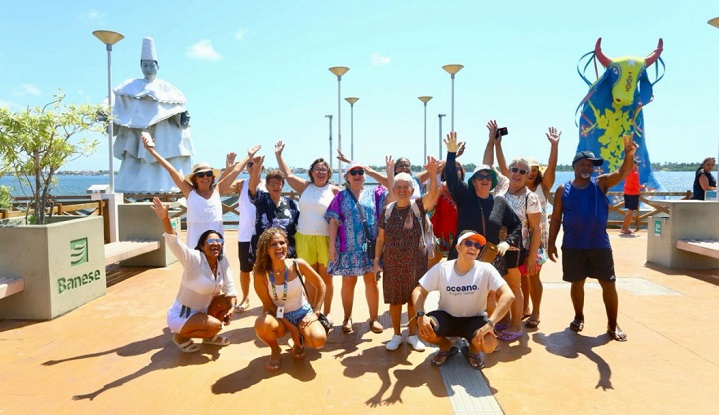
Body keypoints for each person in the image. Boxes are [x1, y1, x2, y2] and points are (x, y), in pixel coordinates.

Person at [548, 134, 638, 342]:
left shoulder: (601, 183)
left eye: (590, 164)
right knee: (576, 283)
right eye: (583, 164)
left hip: (599, 245)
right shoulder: (563, 190)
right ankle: (579, 316)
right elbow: (555, 218)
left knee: (609, 284)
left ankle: (612, 323)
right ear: (574, 166)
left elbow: (623, 172)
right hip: (573, 246)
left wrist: (628, 155)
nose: (587, 167)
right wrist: (551, 243)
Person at [411, 231, 515, 369]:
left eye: (477, 245)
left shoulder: (486, 269)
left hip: (474, 319)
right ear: (458, 247)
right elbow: (418, 290)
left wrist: (491, 323)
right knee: (424, 329)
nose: (473, 247)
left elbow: (509, 295)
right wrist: (420, 315)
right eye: (468, 243)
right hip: (447, 317)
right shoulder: (442, 268)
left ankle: (473, 350)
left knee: (490, 345)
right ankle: (446, 346)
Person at [149, 197, 236, 353]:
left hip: (203, 311)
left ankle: (209, 337)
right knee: (216, 326)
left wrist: (231, 308)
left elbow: (230, 288)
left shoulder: (222, 261)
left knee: (226, 301)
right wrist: (165, 219)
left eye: (218, 240)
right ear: (202, 246)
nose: (215, 244)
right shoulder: (193, 259)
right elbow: (174, 242)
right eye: (210, 241)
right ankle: (180, 336)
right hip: (183, 314)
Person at [112, 37, 194, 193]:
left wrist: (182, 118)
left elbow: (178, 109)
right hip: (137, 134)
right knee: (137, 159)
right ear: (141, 66)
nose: (148, 69)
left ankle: (166, 188)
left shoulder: (167, 88)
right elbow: (117, 105)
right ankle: (136, 190)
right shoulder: (130, 86)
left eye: (151, 65)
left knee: (164, 158)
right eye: (145, 65)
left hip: (163, 134)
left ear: (158, 66)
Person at [375, 157, 439, 352]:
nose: (402, 190)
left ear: (412, 190)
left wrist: (434, 175)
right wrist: (377, 260)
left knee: (413, 300)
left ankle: (412, 334)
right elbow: (380, 239)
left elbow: (433, 193)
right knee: (395, 301)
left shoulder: (417, 207)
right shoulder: (387, 211)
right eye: (398, 187)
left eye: (406, 187)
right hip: (393, 263)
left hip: (415, 263)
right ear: (393, 190)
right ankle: (396, 334)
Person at [274, 141, 341, 323]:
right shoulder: (305, 187)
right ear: (311, 172)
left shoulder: (334, 190)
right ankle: (311, 311)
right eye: (317, 169)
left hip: (326, 239)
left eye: (324, 169)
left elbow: (352, 199)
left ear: (329, 173)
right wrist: (279, 156)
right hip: (304, 237)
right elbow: (287, 175)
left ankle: (326, 313)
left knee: (326, 278)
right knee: (309, 277)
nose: (320, 172)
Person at [142, 133, 242, 248]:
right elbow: (171, 170)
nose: (205, 177)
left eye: (208, 173)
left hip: (216, 245)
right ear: (195, 178)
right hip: (196, 244)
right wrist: (152, 151)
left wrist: (234, 165)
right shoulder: (190, 192)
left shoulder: (216, 191)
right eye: (201, 175)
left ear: (212, 176)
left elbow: (232, 175)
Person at [325, 161, 388, 334]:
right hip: (348, 248)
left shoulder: (375, 193)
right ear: (347, 177)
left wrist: (375, 168)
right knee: (349, 281)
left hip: (371, 248)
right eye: (353, 172)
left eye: (360, 171)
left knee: (371, 281)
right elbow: (333, 221)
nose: (358, 175)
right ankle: (347, 318)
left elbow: (392, 188)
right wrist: (332, 246)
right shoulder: (341, 197)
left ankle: (374, 318)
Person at [253, 228, 327, 372]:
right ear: (265, 249)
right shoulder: (261, 274)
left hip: (302, 312)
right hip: (278, 316)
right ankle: (275, 350)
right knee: (261, 324)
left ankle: (299, 339)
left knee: (319, 340)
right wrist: (291, 328)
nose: (279, 247)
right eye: (273, 244)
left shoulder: (298, 264)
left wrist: (316, 312)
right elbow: (269, 306)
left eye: (282, 243)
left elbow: (321, 285)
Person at [519, 127, 560, 328]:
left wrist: (554, 145)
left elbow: (552, 168)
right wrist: (497, 144)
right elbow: (500, 167)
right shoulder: (516, 188)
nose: (532, 172)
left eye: (535, 169)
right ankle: (524, 307)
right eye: (529, 169)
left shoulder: (543, 188)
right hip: (519, 238)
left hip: (538, 239)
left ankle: (535, 311)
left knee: (534, 275)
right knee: (521, 277)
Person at [219, 146, 263, 313]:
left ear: (262, 167)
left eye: (257, 164)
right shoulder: (241, 185)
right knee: (245, 269)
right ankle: (245, 298)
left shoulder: (267, 185)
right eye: (250, 164)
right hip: (245, 236)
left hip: (263, 236)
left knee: (264, 270)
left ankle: (266, 300)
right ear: (246, 167)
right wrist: (229, 169)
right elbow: (222, 189)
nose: (253, 166)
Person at [247, 155, 301, 260]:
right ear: (266, 186)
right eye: (272, 183)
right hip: (263, 250)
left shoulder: (291, 204)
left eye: (279, 183)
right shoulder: (261, 198)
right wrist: (257, 167)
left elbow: (296, 226)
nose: (276, 186)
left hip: (285, 250)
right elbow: (252, 188)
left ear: (283, 185)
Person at [430, 160, 465, 253]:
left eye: (457, 168)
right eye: (450, 169)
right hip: (441, 243)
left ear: (461, 172)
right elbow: (430, 211)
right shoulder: (439, 191)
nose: (454, 171)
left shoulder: (468, 191)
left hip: (463, 242)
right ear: (444, 173)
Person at [620, 159, 642, 234]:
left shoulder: (627, 172)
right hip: (633, 194)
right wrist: (642, 187)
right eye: (637, 164)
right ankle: (624, 228)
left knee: (629, 211)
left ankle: (624, 228)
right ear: (633, 165)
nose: (638, 166)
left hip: (627, 193)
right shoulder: (636, 173)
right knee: (630, 212)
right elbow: (636, 185)